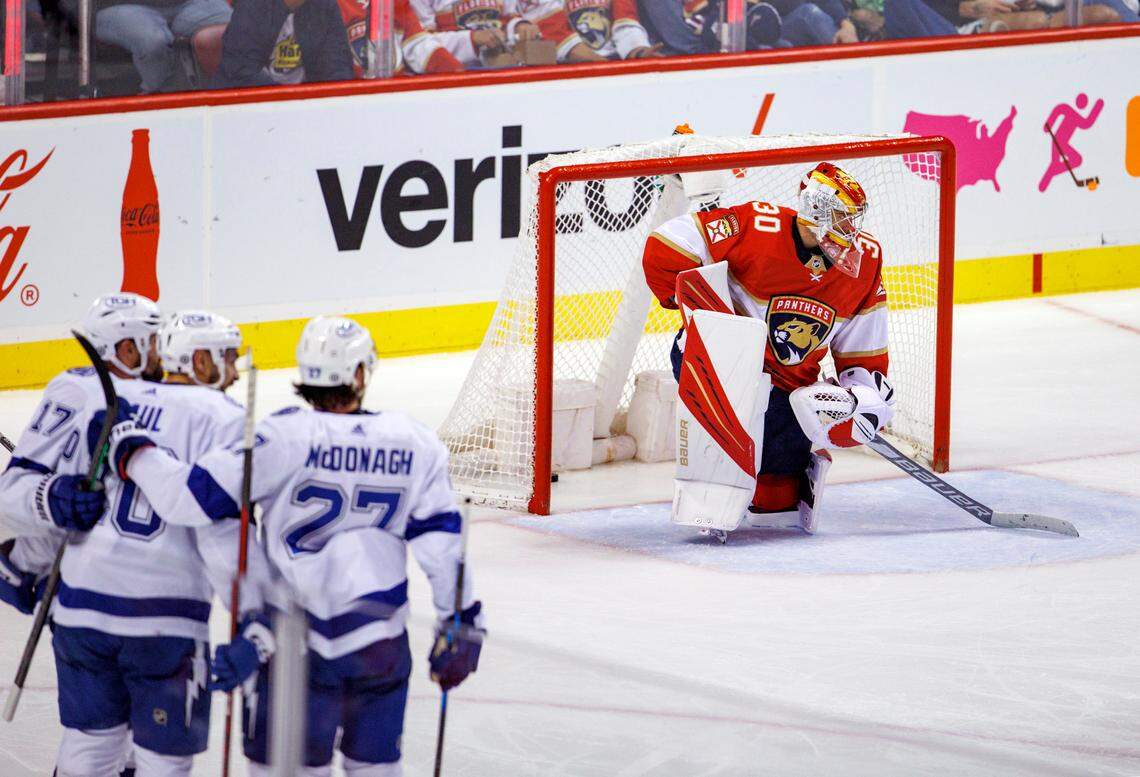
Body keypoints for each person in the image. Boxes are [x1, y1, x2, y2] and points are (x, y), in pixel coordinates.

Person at [108, 316, 485, 776]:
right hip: (379, 645)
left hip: (292, 646)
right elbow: (443, 550)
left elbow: (188, 498)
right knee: (376, 769)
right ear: (360, 375)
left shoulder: (281, 437)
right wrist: (462, 623)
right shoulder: (414, 442)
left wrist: (133, 450)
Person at [0, 298, 265, 777]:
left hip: (80, 610)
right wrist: (256, 618)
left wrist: (24, 561)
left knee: (88, 746)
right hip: (166, 621)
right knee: (163, 761)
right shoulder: (223, 417)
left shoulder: (97, 399)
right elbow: (222, 534)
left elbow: (49, 497)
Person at [641, 163, 897, 536]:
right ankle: (710, 494)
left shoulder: (865, 261)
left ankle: (767, 484)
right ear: (815, 209)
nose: (850, 230)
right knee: (720, 460)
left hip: (791, 381)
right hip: (719, 363)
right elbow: (665, 249)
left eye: (853, 220)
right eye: (841, 218)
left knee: (776, 504)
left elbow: (864, 346)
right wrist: (718, 326)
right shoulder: (755, 226)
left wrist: (860, 397)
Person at [61, 0, 232, 93]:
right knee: (153, 41)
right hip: (115, 5)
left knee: (238, 31)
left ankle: (229, 107)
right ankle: (159, 106)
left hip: (190, 3)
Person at [411, 0, 604, 67]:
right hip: (456, 78)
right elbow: (420, 44)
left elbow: (508, 18)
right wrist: (471, 39)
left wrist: (519, 25)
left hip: (504, 67)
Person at [212, 0, 354, 87]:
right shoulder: (253, 5)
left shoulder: (325, 5)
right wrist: (288, 101)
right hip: (252, 107)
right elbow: (241, 71)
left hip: (307, 107)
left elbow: (339, 68)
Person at [561, 0, 663, 58]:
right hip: (568, 65)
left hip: (614, 59)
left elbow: (625, 25)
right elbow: (557, 37)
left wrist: (638, 53)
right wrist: (602, 65)